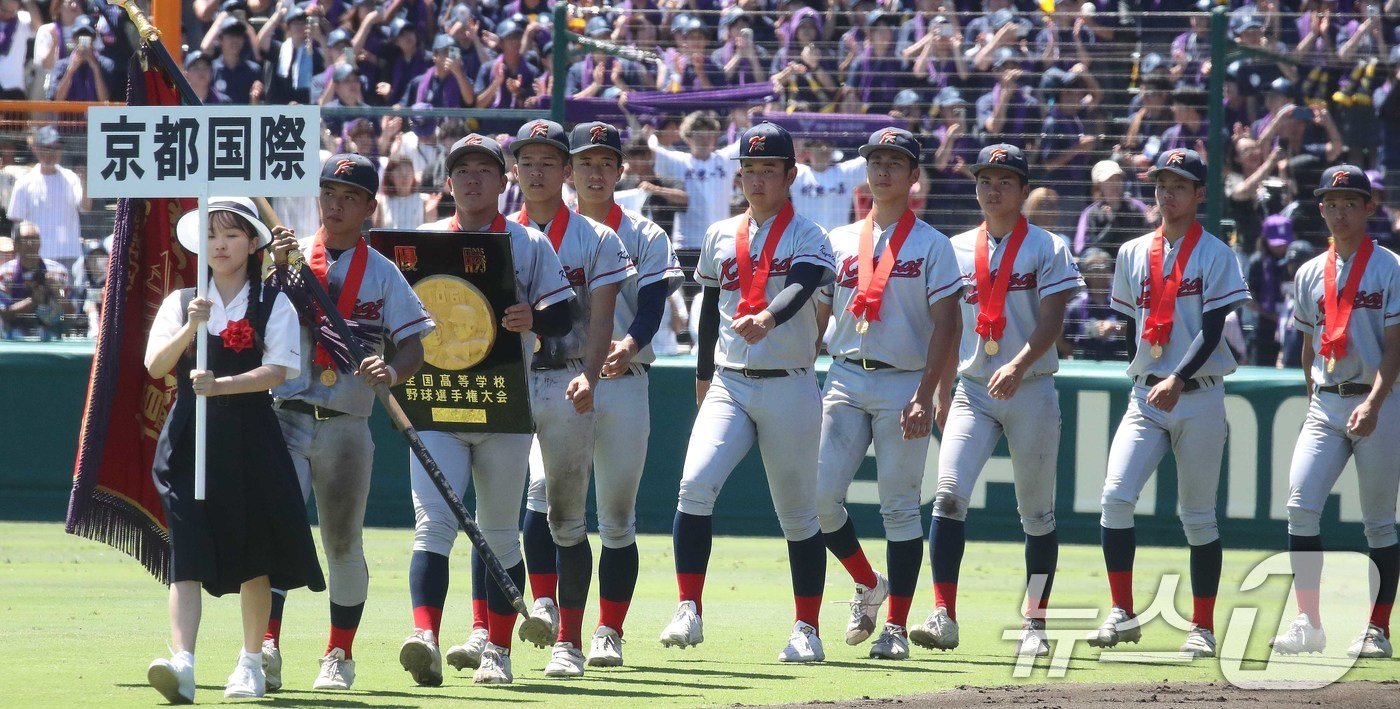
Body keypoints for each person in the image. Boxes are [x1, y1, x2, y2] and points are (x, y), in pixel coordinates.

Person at [658, 122, 836, 662]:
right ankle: (689, 608)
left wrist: (769, 316)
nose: (757, 180)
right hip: (730, 382)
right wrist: (702, 371)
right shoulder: (718, 233)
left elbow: (804, 282)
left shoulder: (810, 234)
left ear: (791, 175)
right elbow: (711, 304)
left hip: (790, 384)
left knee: (799, 516)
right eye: (750, 170)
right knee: (693, 486)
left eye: (768, 170)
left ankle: (807, 627)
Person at [404, 133, 573, 687]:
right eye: (462, 169)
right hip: (436, 405)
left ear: (505, 182)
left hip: (503, 407)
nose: (472, 178)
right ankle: (425, 637)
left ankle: (497, 650)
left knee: (501, 531)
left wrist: (535, 318)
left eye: (484, 169)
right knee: (433, 526)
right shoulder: (420, 241)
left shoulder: (528, 242)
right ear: (447, 181)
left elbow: (564, 313)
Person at [260, 154, 434, 692]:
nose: (335, 205)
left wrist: (394, 370)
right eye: (328, 194)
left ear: (368, 207)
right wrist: (274, 267)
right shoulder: (286, 256)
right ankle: (264, 646)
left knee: (342, 543)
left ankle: (340, 652)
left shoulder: (382, 272)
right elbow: (250, 319)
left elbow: (414, 346)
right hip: (285, 412)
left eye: (349, 197)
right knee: (276, 534)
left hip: (347, 422)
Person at [142, 197, 325, 703]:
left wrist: (221, 385)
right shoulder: (181, 301)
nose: (219, 244)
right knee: (187, 553)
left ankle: (249, 663)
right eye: (211, 235)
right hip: (187, 439)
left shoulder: (272, 302)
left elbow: (279, 371)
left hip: (250, 437)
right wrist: (190, 329)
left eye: (231, 234)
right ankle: (182, 662)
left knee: (254, 553)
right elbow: (157, 365)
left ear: (252, 243)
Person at [516, 121, 682, 669]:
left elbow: (655, 303)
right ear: (571, 170)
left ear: (619, 170)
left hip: (623, 381)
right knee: (542, 493)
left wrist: (631, 343)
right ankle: (550, 612)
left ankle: (607, 631)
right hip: (554, 377)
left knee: (615, 515)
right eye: (585, 161)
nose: (595, 171)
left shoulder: (642, 234)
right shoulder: (536, 232)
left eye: (605, 162)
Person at [910, 143, 1083, 658]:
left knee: (1035, 514)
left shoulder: (1048, 246)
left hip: (1030, 389)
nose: (993, 188)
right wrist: (941, 391)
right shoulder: (956, 246)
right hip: (972, 390)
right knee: (947, 496)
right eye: (985, 179)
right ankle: (943, 613)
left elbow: (1053, 319)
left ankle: (1035, 622)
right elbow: (947, 326)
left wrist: (1019, 363)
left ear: (1023, 190)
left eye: (1005, 180)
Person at [1087, 149, 1252, 660]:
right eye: (1161, 182)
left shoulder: (1217, 253)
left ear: (1201, 193)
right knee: (1115, 496)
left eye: (1179, 184)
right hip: (1147, 393)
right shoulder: (1133, 251)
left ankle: (1201, 627)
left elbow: (1212, 330)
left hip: (1198, 393)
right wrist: (1150, 368)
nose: (1167, 192)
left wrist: (1177, 377)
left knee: (1198, 516)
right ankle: (1122, 611)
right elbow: (1131, 326)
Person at [814, 128, 962, 660]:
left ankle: (895, 625)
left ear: (913, 176)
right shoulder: (837, 238)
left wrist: (927, 392)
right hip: (846, 374)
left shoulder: (933, 245)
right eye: (875, 160)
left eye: (895, 162)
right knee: (819, 497)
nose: (882, 170)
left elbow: (949, 325)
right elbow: (821, 312)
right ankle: (867, 582)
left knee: (900, 508)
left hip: (904, 379)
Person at [506, 119, 634, 678]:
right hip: (508, 381)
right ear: (515, 171)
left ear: (566, 172)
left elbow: (601, 317)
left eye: (547, 162)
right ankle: (510, 624)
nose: (536, 171)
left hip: (565, 376)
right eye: (526, 161)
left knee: (567, 513)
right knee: (499, 512)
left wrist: (591, 374)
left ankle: (571, 639)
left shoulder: (596, 237)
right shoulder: (496, 233)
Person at [1271, 164, 1399, 660]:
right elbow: (1307, 347)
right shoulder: (1308, 271)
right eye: (1331, 202)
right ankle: (1309, 623)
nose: (1339, 211)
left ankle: (1377, 629)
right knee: (1301, 506)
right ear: (1319, 207)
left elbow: (1395, 347)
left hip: (1379, 400)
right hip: (1327, 401)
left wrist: (1374, 402)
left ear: (1370, 208)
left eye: (1350, 202)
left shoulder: (1389, 267)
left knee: (1379, 523)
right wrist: (1313, 400)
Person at [7, 126, 85, 270]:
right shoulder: (24, 183)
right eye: (47, 148)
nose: (52, 152)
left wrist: (85, 182)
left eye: (56, 148)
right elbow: (16, 223)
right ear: (36, 149)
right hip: (36, 258)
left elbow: (85, 207)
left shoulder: (72, 178)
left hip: (69, 255)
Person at [0, 222, 71, 339]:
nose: (30, 243)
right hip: (14, 336)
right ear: (16, 245)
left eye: (34, 239)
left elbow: (68, 315)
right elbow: (4, 315)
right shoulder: (4, 274)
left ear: (40, 243)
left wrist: (58, 294)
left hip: (52, 334)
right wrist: (33, 301)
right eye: (25, 239)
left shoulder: (58, 271)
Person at [1074, 160, 1153, 254]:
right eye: (1110, 180)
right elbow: (1083, 248)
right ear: (1099, 185)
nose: (1115, 185)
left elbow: (1149, 238)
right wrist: (1111, 224)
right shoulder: (1091, 212)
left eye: (1118, 179)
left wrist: (1152, 223)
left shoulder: (1136, 206)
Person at [791, 136, 866, 234]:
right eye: (818, 145)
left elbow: (870, 156)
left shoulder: (845, 172)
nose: (824, 148)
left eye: (828, 145)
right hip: (806, 240)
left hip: (839, 241)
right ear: (808, 151)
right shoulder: (798, 173)